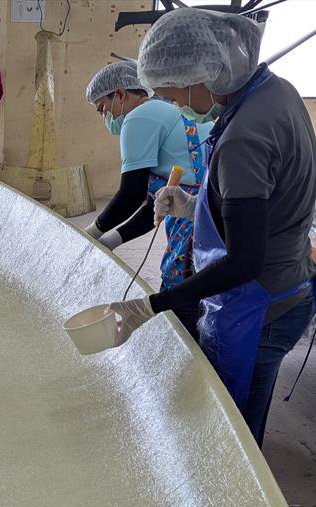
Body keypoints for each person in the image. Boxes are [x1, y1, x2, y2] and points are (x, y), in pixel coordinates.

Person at [109, 8, 316, 446]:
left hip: (260, 304)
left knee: (232, 437)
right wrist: (192, 206)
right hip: (289, 281)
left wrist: (155, 304)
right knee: (241, 414)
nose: (176, 106)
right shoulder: (275, 92)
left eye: (174, 96)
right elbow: (264, 200)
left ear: (202, 75)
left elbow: (245, 260)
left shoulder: (244, 134)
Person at [83, 60, 212, 340]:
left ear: (120, 94)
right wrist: (112, 239)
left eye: (103, 107)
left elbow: (129, 194)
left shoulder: (139, 117)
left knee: (182, 291)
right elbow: (154, 204)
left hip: (194, 215)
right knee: (196, 284)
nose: (105, 116)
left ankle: (194, 359)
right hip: (201, 209)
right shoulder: (164, 111)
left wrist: (94, 231)